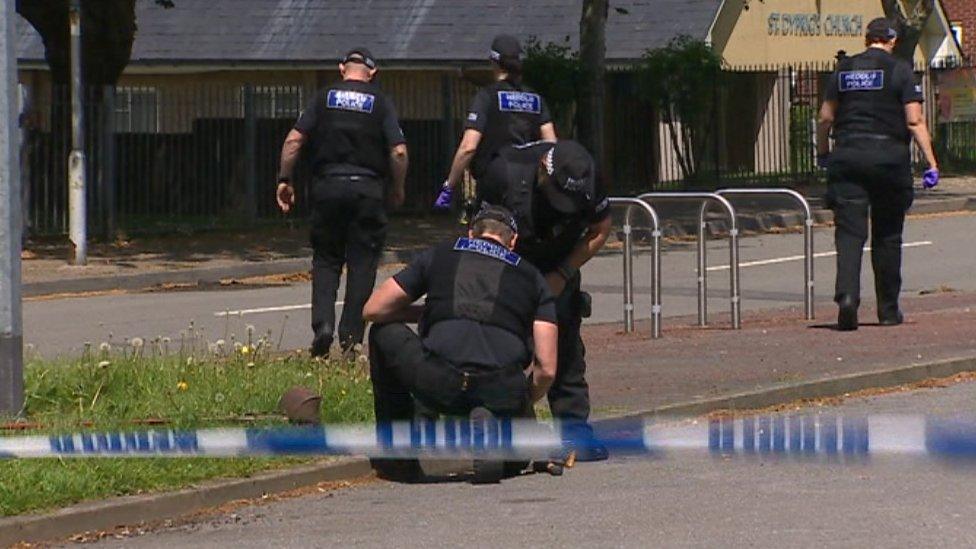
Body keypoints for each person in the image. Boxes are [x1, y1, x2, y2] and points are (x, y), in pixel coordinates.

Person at [363, 204, 558, 482]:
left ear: (470, 234)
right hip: (498, 387)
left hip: (438, 381)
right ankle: (493, 425)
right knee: (512, 443)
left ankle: (398, 457)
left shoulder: (441, 254)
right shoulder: (533, 278)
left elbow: (373, 309)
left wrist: (430, 312)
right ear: (512, 241)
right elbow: (547, 368)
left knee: (383, 332)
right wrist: (520, 403)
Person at [477, 139, 612, 461]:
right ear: (542, 172)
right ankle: (504, 425)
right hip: (511, 264)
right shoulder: (503, 172)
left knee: (565, 345)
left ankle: (573, 430)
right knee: (507, 345)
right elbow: (482, 233)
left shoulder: (592, 179)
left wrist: (564, 274)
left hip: (559, 265)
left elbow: (600, 229)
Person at [276, 47, 409, 356]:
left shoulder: (323, 98)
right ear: (372, 72)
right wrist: (398, 187)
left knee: (326, 260)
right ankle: (350, 339)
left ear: (341, 68)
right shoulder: (381, 102)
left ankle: (322, 326)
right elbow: (399, 151)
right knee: (362, 264)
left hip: (328, 188)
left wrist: (285, 178)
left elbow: (294, 140)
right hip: (368, 191)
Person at [817, 18, 939, 331]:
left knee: (849, 234)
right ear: (893, 40)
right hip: (889, 160)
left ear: (867, 38)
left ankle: (846, 298)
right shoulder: (899, 70)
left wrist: (823, 153)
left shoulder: (843, 70)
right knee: (887, 235)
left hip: (848, 157)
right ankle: (887, 309)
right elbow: (914, 121)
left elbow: (825, 118)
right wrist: (931, 163)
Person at [433, 34, 557, 210]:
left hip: (497, 182)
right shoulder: (536, 100)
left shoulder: (486, 97)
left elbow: (468, 147)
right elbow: (551, 145)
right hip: (531, 183)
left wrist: (449, 186)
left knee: (491, 232)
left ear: (494, 63)